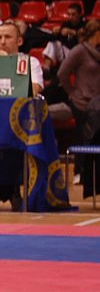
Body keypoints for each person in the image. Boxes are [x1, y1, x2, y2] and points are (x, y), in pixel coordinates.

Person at [0, 20, 44, 210]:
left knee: (12, 145)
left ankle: (3, 188)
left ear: (19, 41)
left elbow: (35, 88)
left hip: (21, 123)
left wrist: (7, 66)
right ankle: (7, 190)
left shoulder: (30, 62)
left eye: (7, 37)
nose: (2, 41)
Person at [58, 20, 100, 198]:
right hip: (82, 102)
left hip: (98, 103)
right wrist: (73, 92)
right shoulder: (79, 50)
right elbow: (62, 73)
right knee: (86, 137)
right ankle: (80, 172)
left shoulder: (98, 51)